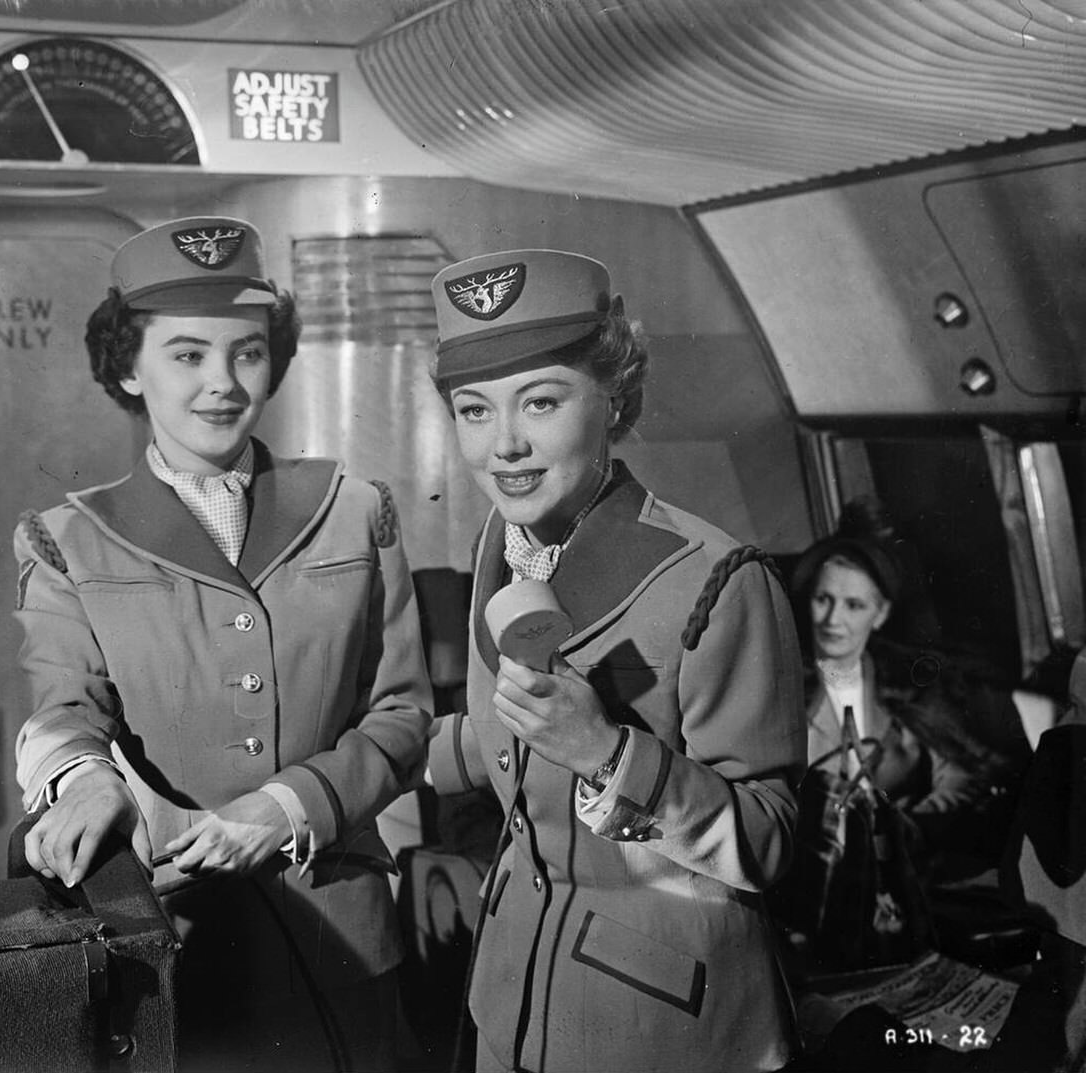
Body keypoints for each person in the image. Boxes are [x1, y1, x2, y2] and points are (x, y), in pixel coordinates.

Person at [11, 217, 432, 1072]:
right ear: (129, 366)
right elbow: (65, 709)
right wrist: (86, 781)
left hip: (339, 946)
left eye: (246, 352)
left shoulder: (355, 508)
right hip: (175, 947)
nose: (223, 384)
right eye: (188, 355)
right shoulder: (68, 538)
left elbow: (402, 714)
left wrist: (285, 808)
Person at [423, 249, 807, 1073]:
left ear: (615, 399)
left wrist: (605, 752)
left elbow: (769, 841)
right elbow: (510, 731)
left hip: (656, 1027)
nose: (506, 446)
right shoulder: (502, 542)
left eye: (542, 400)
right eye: (474, 410)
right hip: (510, 998)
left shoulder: (719, 581)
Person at [789, 500, 1015, 875]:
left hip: (906, 876)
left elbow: (963, 773)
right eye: (823, 600)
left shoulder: (912, 685)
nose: (833, 620)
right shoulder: (778, 688)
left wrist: (911, 828)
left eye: (854, 605)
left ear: (880, 615)